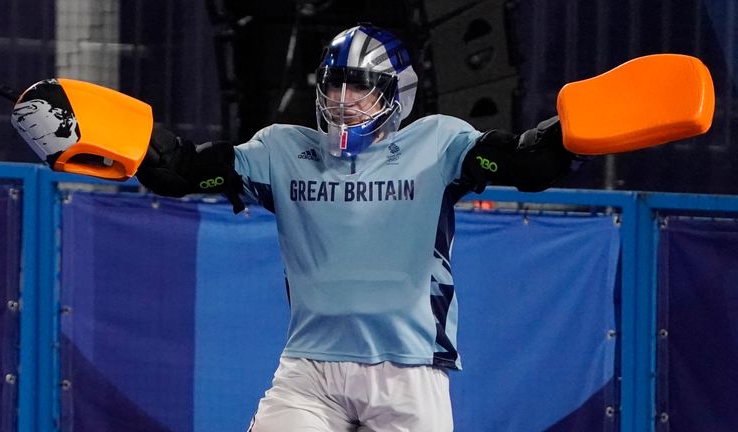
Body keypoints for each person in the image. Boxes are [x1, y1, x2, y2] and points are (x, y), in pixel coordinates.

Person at [135, 24, 579, 431]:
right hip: (310, 369)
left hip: (408, 372)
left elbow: (528, 163)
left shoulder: (438, 143)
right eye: (334, 83)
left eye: (362, 86)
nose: (343, 98)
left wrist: (583, 128)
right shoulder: (282, 149)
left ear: (397, 93)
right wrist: (88, 131)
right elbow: (180, 171)